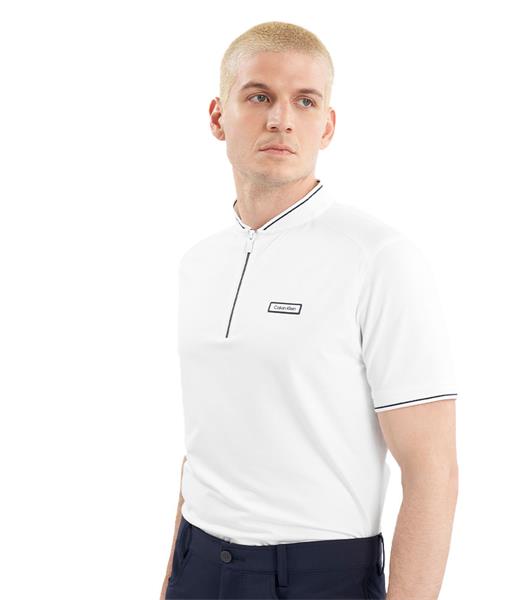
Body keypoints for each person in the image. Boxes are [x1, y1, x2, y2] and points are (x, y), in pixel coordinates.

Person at [161, 20, 459, 600]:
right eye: (259, 97)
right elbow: (205, 444)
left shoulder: (378, 258)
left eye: (305, 101)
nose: (281, 119)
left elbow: (433, 473)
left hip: (320, 576)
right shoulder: (198, 263)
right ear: (218, 116)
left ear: (328, 125)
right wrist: (172, 578)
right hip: (198, 563)